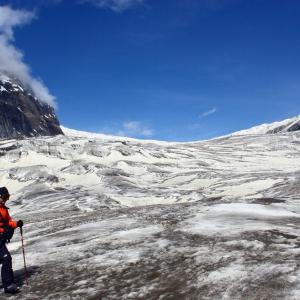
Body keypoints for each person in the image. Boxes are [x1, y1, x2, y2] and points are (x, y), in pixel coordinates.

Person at [0, 187, 23, 294]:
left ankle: (9, 285)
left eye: (7, 197)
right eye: (4, 197)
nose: (6, 199)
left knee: (6, 259)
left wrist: (16, 224)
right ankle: (8, 285)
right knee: (6, 258)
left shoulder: (3, 208)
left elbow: (8, 222)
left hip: (1, 239)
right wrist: (3, 230)